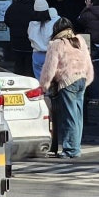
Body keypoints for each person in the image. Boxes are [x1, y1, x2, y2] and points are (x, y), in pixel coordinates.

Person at [39, 17, 94, 159]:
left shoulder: (56, 44)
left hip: (67, 81)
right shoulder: (79, 40)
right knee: (78, 116)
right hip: (82, 79)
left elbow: (49, 68)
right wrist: (87, 79)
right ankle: (76, 146)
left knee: (69, 117)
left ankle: (71, 149)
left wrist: (44, 85)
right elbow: (88, 62)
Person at [4, 0, 37, 75]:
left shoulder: (14, 6)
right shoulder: (34, 6)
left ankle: (19, 80)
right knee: (29, 66)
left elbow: (6, 20)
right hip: (30, 41)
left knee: (18, 64)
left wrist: (15, 28)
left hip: (16, 41)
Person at [27, 0, 59, 79]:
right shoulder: (55, 21)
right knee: (52, 80)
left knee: (40, 81)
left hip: (37, 54)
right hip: (51, 54)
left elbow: (30, 36)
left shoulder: (32, 24)